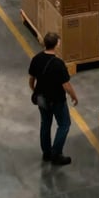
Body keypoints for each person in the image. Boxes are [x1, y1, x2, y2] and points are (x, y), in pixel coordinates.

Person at [28, 31, 78, 166]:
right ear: (56, 45)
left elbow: (31, 79)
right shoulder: (58, 64)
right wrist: (74, 96)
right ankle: (56, 154)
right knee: (64, 124)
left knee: (45, 123)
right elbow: (66, 85)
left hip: (41, 98)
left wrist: (35, 91)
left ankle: (46, 153)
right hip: (56, 100)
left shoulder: (36, 59)